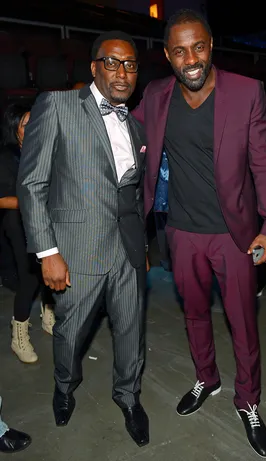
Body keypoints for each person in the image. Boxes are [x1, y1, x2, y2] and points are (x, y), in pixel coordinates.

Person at [133, 9, 266, 458]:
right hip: (180, 232)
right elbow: (121, 127)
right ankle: (207, 378)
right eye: (179, 51)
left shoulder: (246, 92)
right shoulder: (158, 94)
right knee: (194, 313)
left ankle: (249, 401)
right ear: (168, 55)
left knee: (242, 321)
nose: (191, 58)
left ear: (211, 44)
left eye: (198, 46)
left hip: (234, 235)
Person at [17, 31, 149, 447]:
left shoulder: (137, 125)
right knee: (71, 334)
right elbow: (32, 184)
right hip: (76, 251)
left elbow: (132, 193)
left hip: (126, 250)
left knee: (131, 331)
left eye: (129, 63)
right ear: (94, 66)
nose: (122, 71)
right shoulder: (57, 106)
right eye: (112, 62)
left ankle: (129, 397)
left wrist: (141, 246)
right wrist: (48, 252)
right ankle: (64, 387)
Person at [0, 103, 55, 364]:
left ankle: (48, 314)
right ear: (15, 130)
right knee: (30, 278)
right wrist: (32, 200)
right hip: (18, 222)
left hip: (46, 219)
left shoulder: (45, 151)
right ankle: (18, 333)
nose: (33, 128)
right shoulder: (6, 157)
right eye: (26, 124)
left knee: (49, 269)